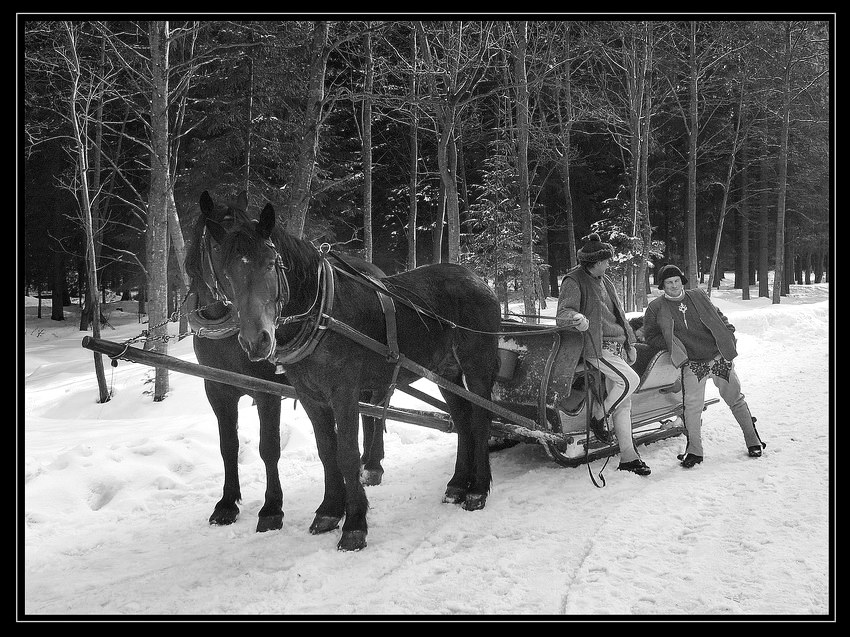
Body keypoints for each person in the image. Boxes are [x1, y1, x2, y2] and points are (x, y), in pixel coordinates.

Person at [639, 264, 766, 468]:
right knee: (692, 408)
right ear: (662, 285)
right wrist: (672, 344)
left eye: (676, 281)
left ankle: (753, 441)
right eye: (668, 282)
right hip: (692, 363)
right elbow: (650, 334)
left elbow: (719, 316)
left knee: (735, 398)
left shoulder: (698, 296)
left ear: (682, 281)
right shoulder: (656, 307)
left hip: (717, 357)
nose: (673, 285)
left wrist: (728, 332)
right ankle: (695, 452)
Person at [556, 233, 650, 476]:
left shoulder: (604, 280)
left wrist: (629, 341)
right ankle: (599, 415)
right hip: (595, 347)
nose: (609, 265)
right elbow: (563, 312)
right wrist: (576, 319)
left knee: (624, 403)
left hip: (616, 346)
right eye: (606, 261)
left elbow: (619, 313)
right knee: (631, 381)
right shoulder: (573, 281)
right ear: (595, 262)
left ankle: (628, 457)